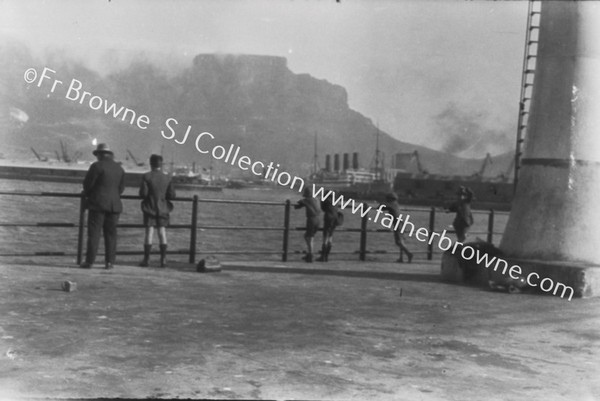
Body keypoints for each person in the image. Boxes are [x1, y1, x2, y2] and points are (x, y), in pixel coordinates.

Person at [80, 143, 125, 269]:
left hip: (98, 204)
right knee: (111, 234)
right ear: (110, 154)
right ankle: (110, 262)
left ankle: (90, 261)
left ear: (99, 155)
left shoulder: (96, 166)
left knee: (94, 233)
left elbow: (88, 185)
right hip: (114, 206)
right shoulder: (119, 168)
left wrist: (87, 194)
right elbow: (121, 189)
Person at [138, 154, 176, 268]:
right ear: (161, 164)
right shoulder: (168, 177)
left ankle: (146, 259)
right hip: (163, 209)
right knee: (162, 233)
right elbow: (172, 195)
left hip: (150, 208)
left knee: (149, 233)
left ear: (151, 164)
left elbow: (143, 194)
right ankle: (163, 260)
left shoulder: (146, 176)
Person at [379, 192, 413, 263]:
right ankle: (401, 258)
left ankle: (409, 254)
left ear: (390, 199)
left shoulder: (391, 204)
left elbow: (380, 208)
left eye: (387, 198)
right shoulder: (396, 204)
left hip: (397, 224)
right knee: (401, 241)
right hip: (401, 223)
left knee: (398, 242)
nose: (386, 199)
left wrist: (382, 203)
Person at [294, 187, 321, 263]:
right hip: (318, 220)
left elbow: (297, 205)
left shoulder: (306, 200)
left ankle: (310, 254)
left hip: (311, 220)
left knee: (309, 237)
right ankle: (310, 253)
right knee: (308, 236)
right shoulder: (317, 199)